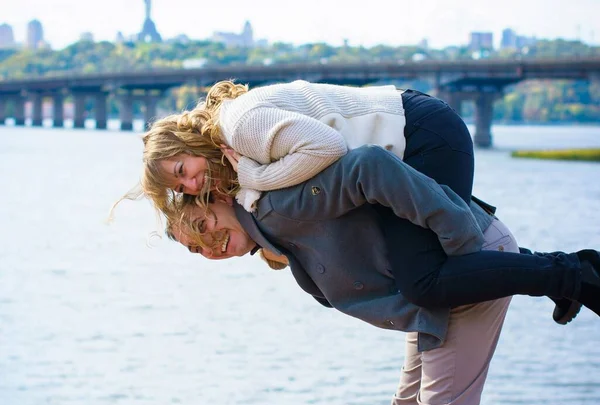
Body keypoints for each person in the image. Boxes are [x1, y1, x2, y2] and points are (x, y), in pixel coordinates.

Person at [162, 147, 599, 405]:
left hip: (466, 258)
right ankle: (563, 271)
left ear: (217, 197)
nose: (207, 246)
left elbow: (369, 168)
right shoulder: (279, 240)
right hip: (436, 294)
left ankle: (570, 273)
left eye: (200, 226)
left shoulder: (277, 205)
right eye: (195, 250)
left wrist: (464, 238)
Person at [128, 80, 599, 323]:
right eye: (181, 188)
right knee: (426, 271)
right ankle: (566, 274)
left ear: (187, 142)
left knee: (425, 282)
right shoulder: (234, 150)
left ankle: (572, 272)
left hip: (420, 137)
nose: (191, 185)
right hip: (396, 161)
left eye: (181, 171)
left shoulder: (240, 126)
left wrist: (252, 176)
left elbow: (327, 149)